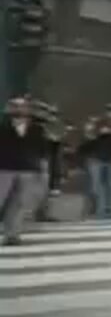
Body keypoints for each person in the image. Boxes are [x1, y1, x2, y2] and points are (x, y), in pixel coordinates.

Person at [0, 97, 49, 245]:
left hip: (28, 169)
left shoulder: (37, 129)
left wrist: (41, 168)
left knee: (19, 203)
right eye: (15, 106)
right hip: (4, 168)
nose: (19, 110)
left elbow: (42, 149)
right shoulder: (2, 126)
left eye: (22, 107)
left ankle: (12, 234)